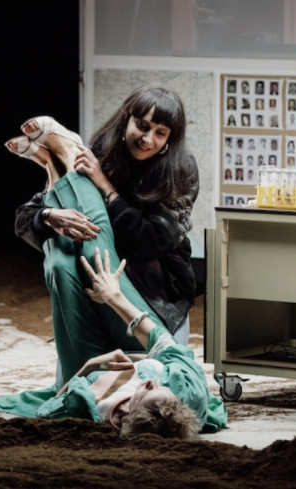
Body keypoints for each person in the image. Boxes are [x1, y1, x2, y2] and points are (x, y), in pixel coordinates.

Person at [14, 86, 200, 384]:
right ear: (127, 118)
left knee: (77, 254)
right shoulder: (101, 155)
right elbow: (25, 218)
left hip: (150, 301)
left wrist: (106, 187)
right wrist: (49, 217)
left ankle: (56, 163)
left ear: (170, 138)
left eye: (160, 133)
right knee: (59, 257)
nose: (148, 138)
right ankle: (54, 165)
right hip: (94, 290)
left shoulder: (179, 171)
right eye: (142, 126)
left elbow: (147, 243)